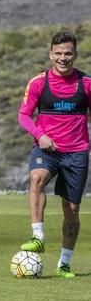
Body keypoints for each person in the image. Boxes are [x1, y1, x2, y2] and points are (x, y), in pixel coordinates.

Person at [18, 31, 90, 278]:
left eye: (68, 53)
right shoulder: (38, 82)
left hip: (77, 153)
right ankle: (38, 237)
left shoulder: (87, 84)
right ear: (51, 54)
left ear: (75, 55)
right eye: (58, 53)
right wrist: (41, 136)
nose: (63, 58)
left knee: (71, 209)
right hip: (46, 149)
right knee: (37, 177)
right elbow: (23, 115)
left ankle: (64, 264)